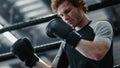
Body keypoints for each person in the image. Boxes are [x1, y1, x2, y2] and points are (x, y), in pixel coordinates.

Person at [11, 0, 114, 68]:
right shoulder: (66, 43)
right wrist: (32, 59)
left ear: (79, 6)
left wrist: (69, 36)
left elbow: (98, 53)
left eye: (68, 11)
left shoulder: (100, 26)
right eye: (61, 15)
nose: (65, 17)